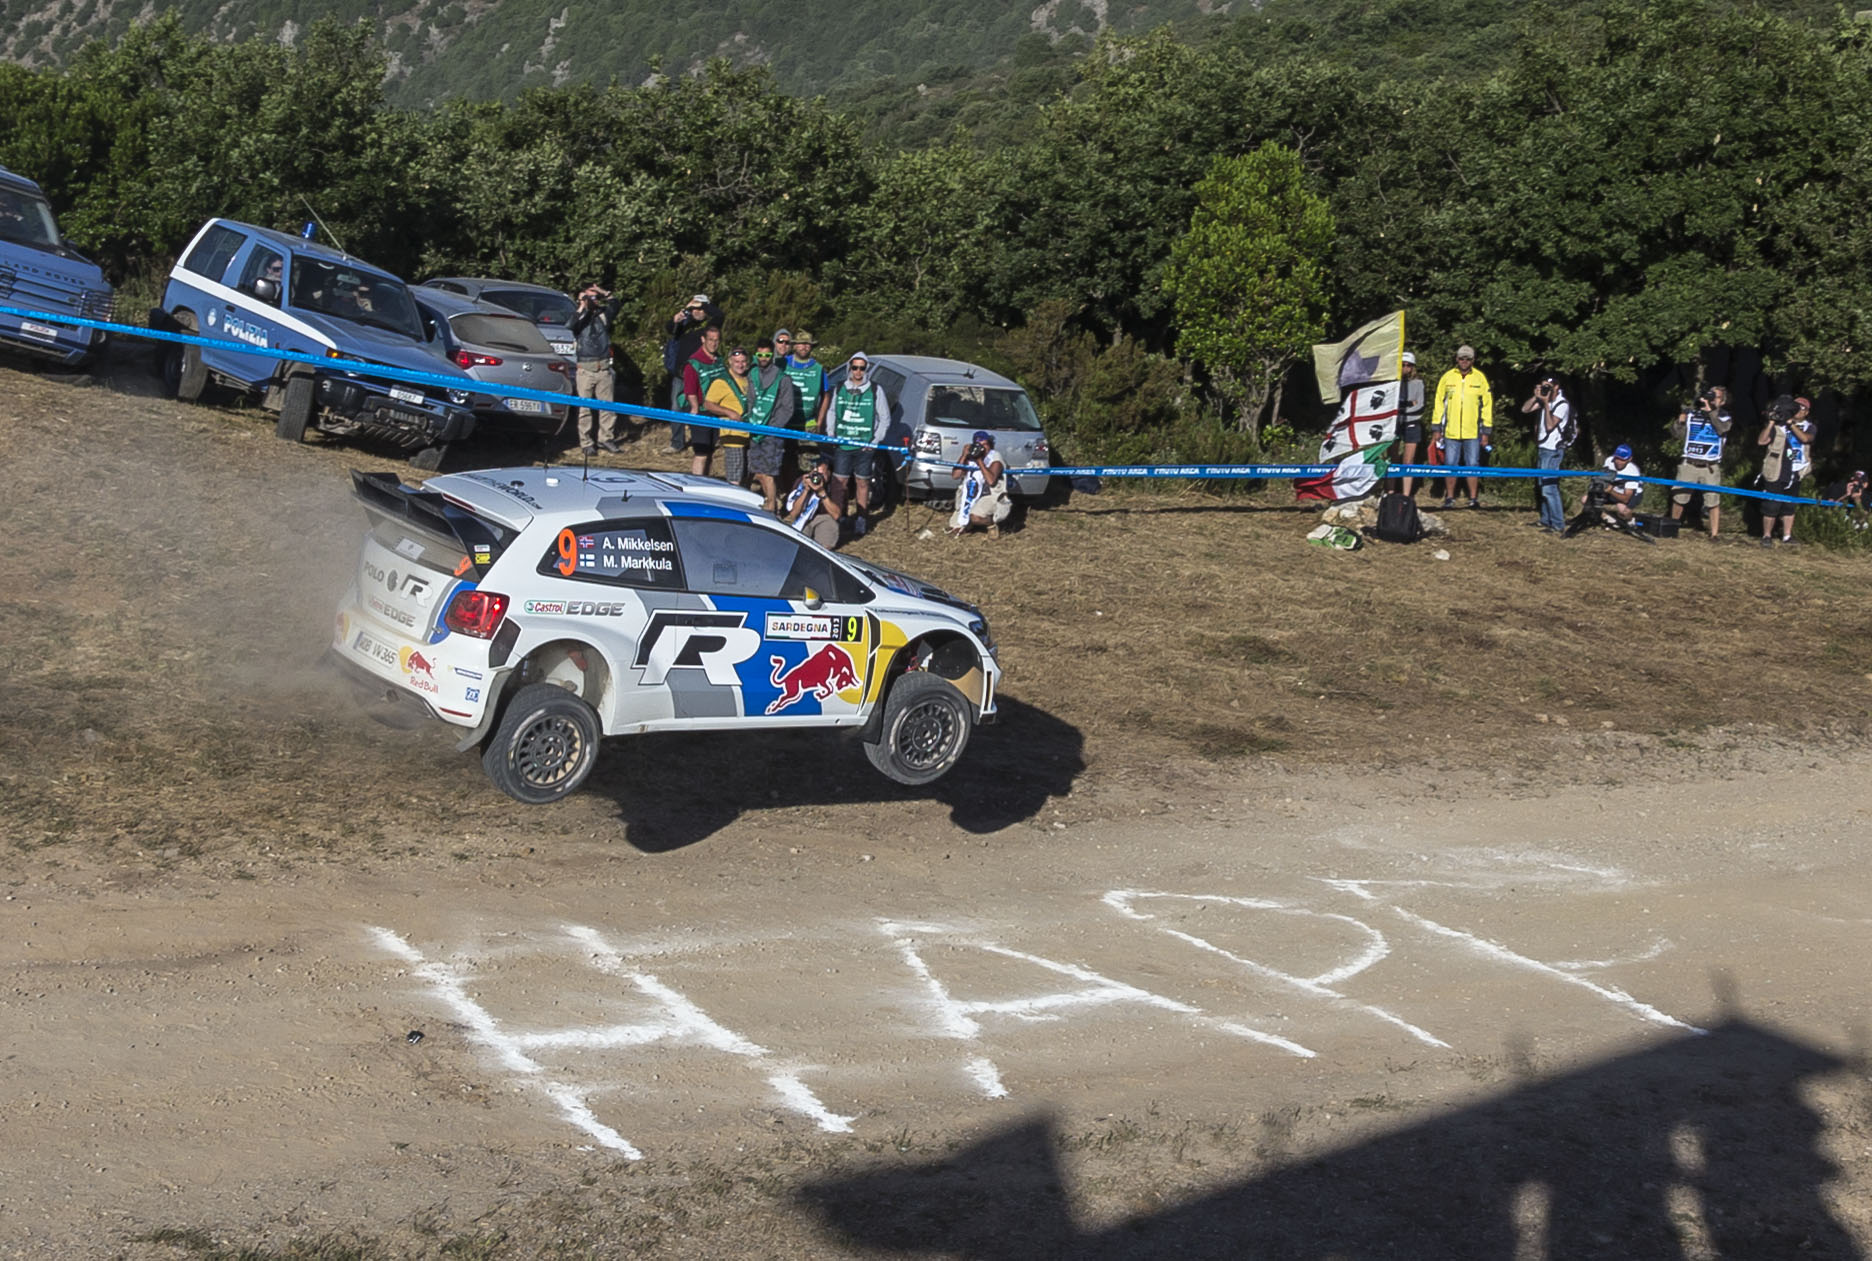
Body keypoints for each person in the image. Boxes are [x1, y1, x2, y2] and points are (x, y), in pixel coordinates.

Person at [825, 351, 893, 536]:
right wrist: (831, 433)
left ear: (867, 369)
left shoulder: (875, 390)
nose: (858, 371)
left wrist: (875, 440)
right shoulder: (840, 388)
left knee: (862, 482)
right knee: (840, 482)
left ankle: (862, 518)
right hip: (843, 444)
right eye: (855, 367)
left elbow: (884, 418)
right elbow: (831, 411)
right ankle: (838, 518)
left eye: (862, 368)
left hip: (865, 445)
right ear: (849, 368)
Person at [1666, 385, 1732, 542]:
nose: (1711, 399)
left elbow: (1722, 430)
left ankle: (1714, 534)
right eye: (1709, 395)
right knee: (1679, 497)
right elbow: (1677, 435)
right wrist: (1681, 420)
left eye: (1715, 397)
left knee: (1712, 500)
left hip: (1710, 465)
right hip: (1690, 463)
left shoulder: (1724, 416)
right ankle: (1673, 526)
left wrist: (1711, 412)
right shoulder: (1692, 414)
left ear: (1722, 401)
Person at [1432, 346, 1493, 509]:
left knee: (1472, 464)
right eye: (1461, 358)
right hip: (1451, 431)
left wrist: (1486, 431)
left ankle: (1473, 499)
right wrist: (1436, 427)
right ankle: (1450, 497)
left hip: (1472, 431)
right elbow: (1438, 402)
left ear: (1473, 360)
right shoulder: (1447, 377)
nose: (1464, 362)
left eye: (1468, 359)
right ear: (1457, 359)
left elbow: (1487, 404)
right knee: (1450, 463)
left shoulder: (1480, 378)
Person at [745, 338, 799, 511]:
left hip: (772, 432)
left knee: (768, 473)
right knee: (757, 471)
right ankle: (773, 500)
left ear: (772, 355)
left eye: (767, 355)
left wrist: (772, 427)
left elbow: (787, 408)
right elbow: (751, 401)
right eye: (760, 354)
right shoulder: (752, 375)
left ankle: (771, 508)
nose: (763, 358)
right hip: (755, 429)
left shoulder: (783, 379)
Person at [665, 293, 723, 451]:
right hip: (681, 374)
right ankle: (677, 443)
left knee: (706, 407)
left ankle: (708, 440)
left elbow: (720, 314)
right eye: (695, 308)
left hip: (702, 374)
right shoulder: (685, 323)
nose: (697, 312)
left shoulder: (709, 327)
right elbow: (670, 329)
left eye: (701, 309)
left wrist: (701, 305)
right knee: (676, 408)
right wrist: (683, 312)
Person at [1757, 393, 1816, 547]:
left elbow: (1805, 439)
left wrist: (1791, 424)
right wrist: (1771, 423)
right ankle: (1767, 536)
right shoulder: (1778, 425)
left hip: (1797, 469)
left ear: (1807, 412)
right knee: (1772, 504)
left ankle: (1787, 536)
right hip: (1777, 468)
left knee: (1790, 504)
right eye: (1795, 407)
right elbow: (1762, 441)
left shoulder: (1809, 426)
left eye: (1801, 408)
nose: (1797, 410)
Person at [569, 282, 621, 455]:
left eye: (595, 298)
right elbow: (571, 326)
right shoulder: (578, 318)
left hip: (603, 366)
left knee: (608, 407)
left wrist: (602, 291)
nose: (593, 300)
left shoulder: (603, 315)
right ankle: (586, 443)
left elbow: (616, 304)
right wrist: (582, 306)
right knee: (585, 409)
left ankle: (606, 438)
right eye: (589, 297)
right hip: (585, 368)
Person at [1520, 376, 1571, 534]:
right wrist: (1537, 396)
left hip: (1553, 449)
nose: (1545, 390)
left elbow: (1550, 425)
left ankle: (1557, 524)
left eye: (1548, 387)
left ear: (1556, 387)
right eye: (1543, 386)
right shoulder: (1543, 400)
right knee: (1542, 485)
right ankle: (1545, 520)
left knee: (1550, 488)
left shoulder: (1562, 404)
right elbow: (1525, 409)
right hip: (1543, 447)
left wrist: (1547, 404)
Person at [704, 347, 757, 488]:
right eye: (736, 362)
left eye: (743, 361)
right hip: (733, 436)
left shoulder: (750, 379)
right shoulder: (722, 382)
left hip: (751, 435)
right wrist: (729, 412)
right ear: (729, 362)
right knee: (735, 477)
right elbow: (708, 404)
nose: (740, 365)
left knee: (748, 475)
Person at [948, 430, 1012, 539]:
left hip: (990, 495)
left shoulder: (995, 457)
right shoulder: (970, 458)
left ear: (990, 445)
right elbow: (955, 475)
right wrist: (964, 456)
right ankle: (969, 524)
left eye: (985, 445)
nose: (983, 448)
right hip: (971, 494)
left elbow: (991, 480)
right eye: (979, 445)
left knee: (976, 517)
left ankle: (991, 524)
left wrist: (979, 461)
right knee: (954, 525)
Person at [680, 325, 725, 478]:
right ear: (703, 340)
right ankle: (696, 481)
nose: (714, 343)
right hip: (700, 410)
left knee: (711, 450)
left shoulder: (719, 360)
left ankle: (705, 480)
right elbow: (690, 390)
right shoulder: (694, 363)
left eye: (716, 340)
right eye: (710, 340)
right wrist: (694, 409)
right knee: (701, 452)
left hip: (715, 410)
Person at [784, 329, 832, 468]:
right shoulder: (783, 364)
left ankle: (808, 490)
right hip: (785, 423)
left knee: (809, 467)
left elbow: (826, 395)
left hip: (808, 426)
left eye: (807, 344)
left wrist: (819, 422)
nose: (804, 347)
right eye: (800, 344)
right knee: (785, 464)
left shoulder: (818, 369)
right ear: (794, 346)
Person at [782, 455, 845, 550]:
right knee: (798, 545)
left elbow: (836, 515)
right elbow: (794, 514)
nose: (817, 478)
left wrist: (822, 493)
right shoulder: (803, 481)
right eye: (815, 474)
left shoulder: (836, 485)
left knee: (823, 546)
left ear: (829, 472)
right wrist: (805, 491)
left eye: (821, 474)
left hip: (824, 517)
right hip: (803, 517)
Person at [1391, 351, 1427, 497]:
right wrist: (1407, 404)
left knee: (1408, 460)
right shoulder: (1393, 384)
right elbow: (1390, 405)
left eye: (1408, 365)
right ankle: (1390, 491)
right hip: (1394, 423)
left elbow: (1419, 405)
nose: (1405, 368)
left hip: (1412, 423)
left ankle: (1406, 494)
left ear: (1412, 367)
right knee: (1392, 458)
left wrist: (1402, 407)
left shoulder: (1418, 383)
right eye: (1403, 365)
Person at [1580, 443, 1642, 525]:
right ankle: (1607, 518)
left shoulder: (1633, 472)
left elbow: (1626, 498)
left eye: (1622, 460)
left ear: (1629, 459)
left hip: (1629, 493)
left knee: (1624, 512)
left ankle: (1630, 521)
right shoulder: (1609, 461)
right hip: (1612, 488)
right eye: (1617, 458)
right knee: (1585, 500)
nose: (1619, 462)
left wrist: (1611, 491)